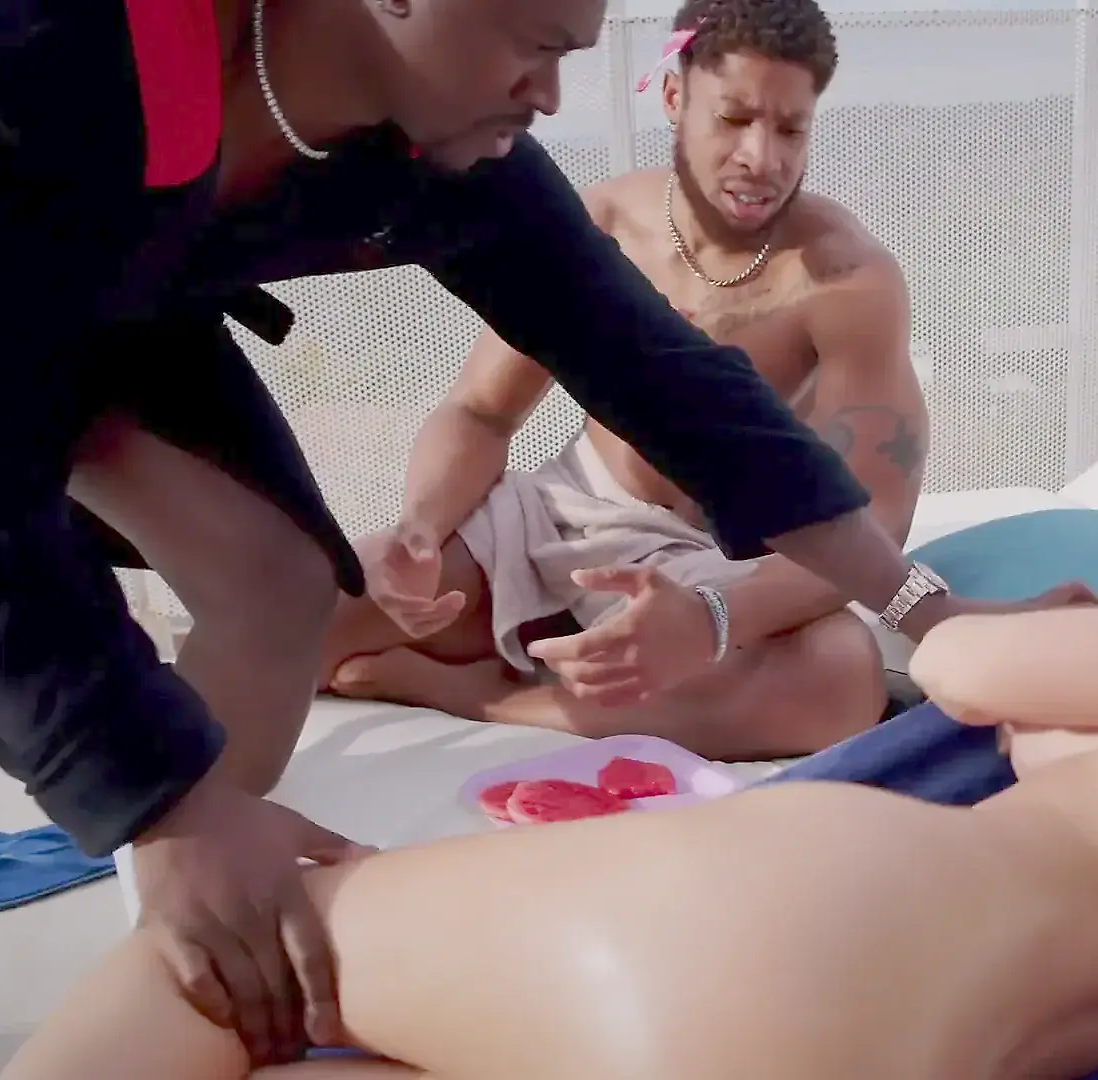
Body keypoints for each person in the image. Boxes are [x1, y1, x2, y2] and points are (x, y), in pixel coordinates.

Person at [0, 0, 1052, 1065]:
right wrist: (161, 801)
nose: (552, 93)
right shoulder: (19, 43)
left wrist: (930, 611)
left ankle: (190, 971)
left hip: (115, 281)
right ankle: (189, 876)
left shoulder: (452, 153)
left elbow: (661, 374)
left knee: (277, 587)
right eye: (534, 45)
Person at [0, 428, 1098, 1080]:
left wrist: (984, 622)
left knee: (234, 950)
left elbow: (984, 672)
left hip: (790, 932)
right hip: (903, 1043)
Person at [318, 0, 927, 759]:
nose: (762, 157)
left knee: (837, 680)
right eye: (734, 118)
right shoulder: (600, 222)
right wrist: (419, 528)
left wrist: (712, 619)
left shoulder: (846, 279)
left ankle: (485, 695)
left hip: (715, 560)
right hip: (562, 516)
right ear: (674, 96)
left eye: (790, 129)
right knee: (312, 620)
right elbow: (480, 412)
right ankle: (543, 653)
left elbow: (877, 527)